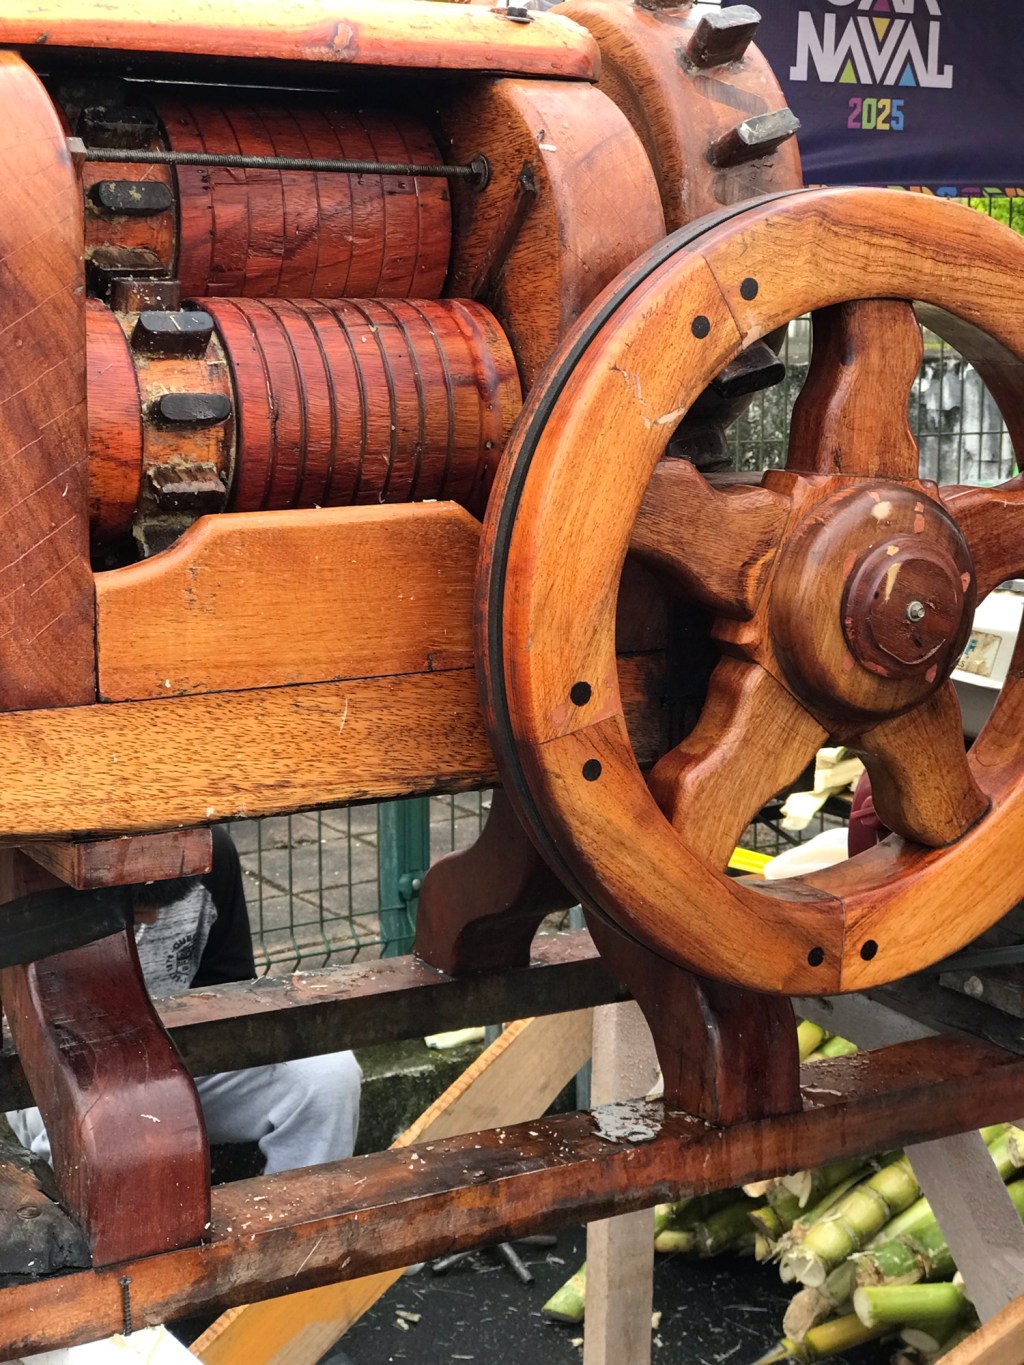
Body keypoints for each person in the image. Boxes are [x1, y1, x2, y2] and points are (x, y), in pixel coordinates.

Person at [6, 825, 362, 1174]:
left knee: (328, 1075)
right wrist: (99, 920)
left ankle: (297, 1226)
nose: (156, 918)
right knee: (103, 1121)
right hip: (57, 1069)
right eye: (142, 907)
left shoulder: (211, 851)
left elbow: (228, 989)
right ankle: (72, 1227)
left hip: (181, 1054)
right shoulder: (24, 866)